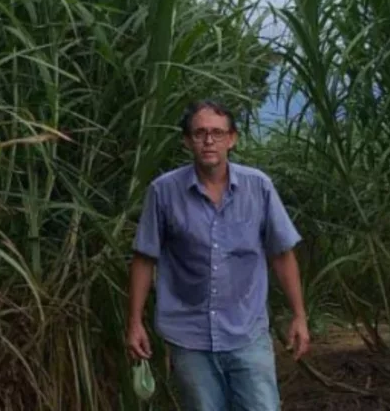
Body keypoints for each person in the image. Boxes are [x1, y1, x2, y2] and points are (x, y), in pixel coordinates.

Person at [125, 99, 310, 410]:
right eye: (199, 133)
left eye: (217, 133)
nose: (208, 141)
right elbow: (145, 258)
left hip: (247, 333)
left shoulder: (258, 187)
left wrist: (299, 316)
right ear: (187, 141)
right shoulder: (163, 192)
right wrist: (134, 322)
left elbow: (282, 253)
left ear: (232, 139)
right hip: (189, 337)